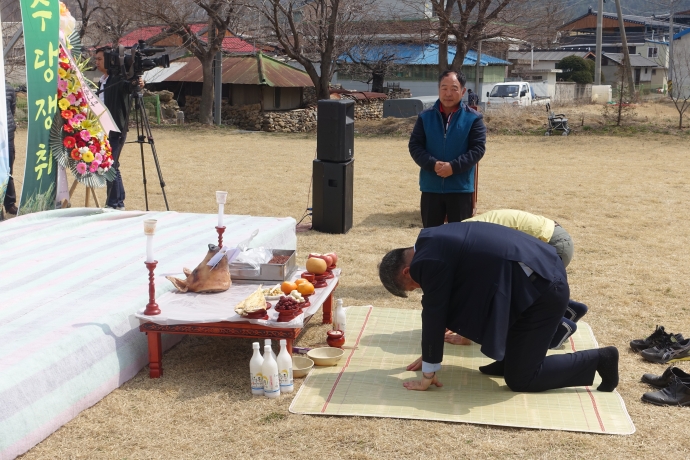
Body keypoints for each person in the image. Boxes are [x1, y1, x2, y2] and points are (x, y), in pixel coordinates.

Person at [378, 222, 619, 393]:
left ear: (406, 271)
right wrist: (430, 350)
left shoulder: (426, 263)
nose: (420, 288)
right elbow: (447, 304)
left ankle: (600, 360)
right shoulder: (431, 239)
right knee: (462, 307)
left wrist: (428, 372)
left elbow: (434, 310)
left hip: (543, 291)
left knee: (522, 379)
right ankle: (511, 359)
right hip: (535, 276)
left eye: (413, 286)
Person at [445, 209, 587, 348]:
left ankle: (560, 327)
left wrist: (464, 334)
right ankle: (571, 309)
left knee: (511, 298)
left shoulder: (463, 245)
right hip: (554, 237)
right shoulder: (458, 233)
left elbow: (478, 293)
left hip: (551, 244)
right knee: (519, 290)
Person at [409, 70, 486, 229]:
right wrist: (432, 164)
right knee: (431, 238)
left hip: (460, 189)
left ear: (463, 91)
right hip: (431, 187)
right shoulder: (425, 117)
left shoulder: (473, 119)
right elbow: (415, 146)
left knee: (459, 240)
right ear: (438, 89)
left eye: (454, 88)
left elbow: (477, 149)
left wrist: (453, 167)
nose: (448, 93)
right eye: (444, 88)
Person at [94, 48, 144, 211]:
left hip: (115, 130)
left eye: (100, 59)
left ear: (109, 60)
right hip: (101, 131)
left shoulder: (117, 79)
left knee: (111, 165)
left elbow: (128, 87)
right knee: (109, 165)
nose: (97, 62)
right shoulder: (102, 81)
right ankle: (117, 201)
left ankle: (115, 203)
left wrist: (138, 83)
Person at [3, 82, 17, 215]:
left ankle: (10, 204)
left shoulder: (8, 88)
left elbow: (12, 109)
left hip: (7, 134)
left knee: (8, 169)